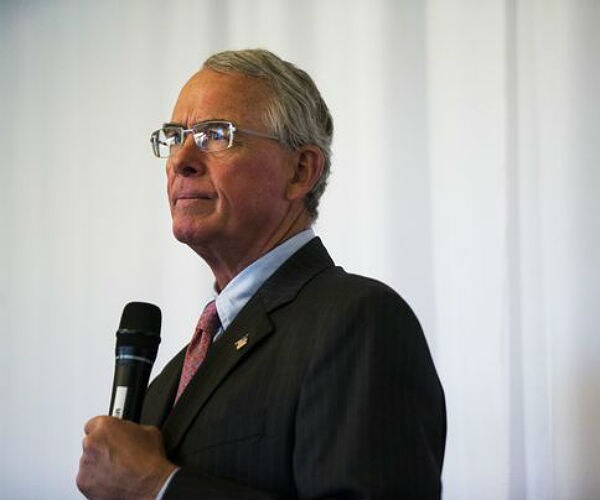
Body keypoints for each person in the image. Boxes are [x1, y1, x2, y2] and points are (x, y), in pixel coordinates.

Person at [76, 48, 446, 499]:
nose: (181, 160)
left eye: (215, 135)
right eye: (174, 137)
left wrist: (160, 486)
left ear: (300, 171)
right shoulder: (169, 381)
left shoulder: (359, 320)